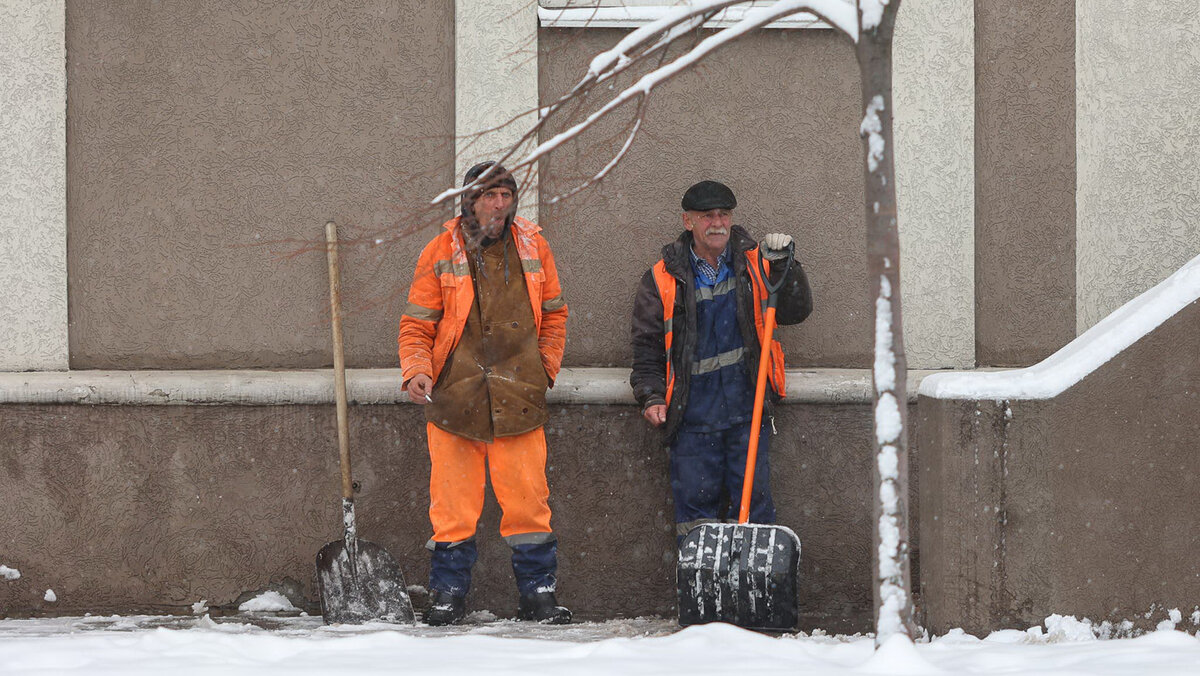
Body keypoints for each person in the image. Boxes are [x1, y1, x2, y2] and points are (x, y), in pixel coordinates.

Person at [398, 161, 571, 626]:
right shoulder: (440, 250)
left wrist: (544, 370)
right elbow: (417, 324)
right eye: (489, 195)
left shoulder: (535, 246)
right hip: (455, 400)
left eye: (506, 195)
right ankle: (447, 599)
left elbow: (555, 315)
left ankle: (539, 599)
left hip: (520, 399)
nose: (499, 205)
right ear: (469, 201)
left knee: (529, 506)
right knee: (452, 509)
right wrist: (416, 370)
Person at [630, 180, 812, 543]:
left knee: (755, 513)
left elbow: (795, 310)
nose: (717, 223)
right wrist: (651, 397)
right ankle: (701, 594)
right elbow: (647, 347)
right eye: (707, 216)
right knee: (696, 522)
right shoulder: (663, 278)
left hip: (748, 411)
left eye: (724, 215)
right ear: (688, 222)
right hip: (692, 419)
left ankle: (755, 595)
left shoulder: (756, 263)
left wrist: (787, 266)